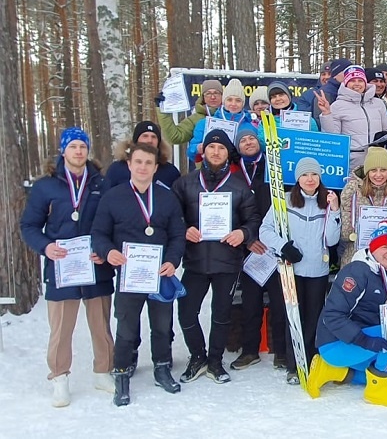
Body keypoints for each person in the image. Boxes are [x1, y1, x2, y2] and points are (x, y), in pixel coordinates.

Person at [20, 127, 115, 407]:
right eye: (73, 146)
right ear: (63, 151)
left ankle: (102, 371)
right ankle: (59, 377)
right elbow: (29, 225)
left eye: (82, 147)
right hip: (62, 266)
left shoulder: (100, 183)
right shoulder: (46, 186)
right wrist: (46, 247)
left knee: (101, 324)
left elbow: (112, 221)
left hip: (95, 265)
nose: (78, 151)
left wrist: (105, 249)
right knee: (61, 328)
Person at [91, 143, 186, 406]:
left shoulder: (166, 197)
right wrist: (108, 251)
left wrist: (172, 260)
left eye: (148, 163)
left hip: (159, 273)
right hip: (129, 275)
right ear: (129, 164)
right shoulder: (113, 196)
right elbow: (99, 233)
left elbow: (178, 235)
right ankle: (121, 373)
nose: (143, 167)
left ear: (156, 167)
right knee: (126, 327)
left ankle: (162, 367)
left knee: (162, 325)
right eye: (138, 162)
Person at [172, 129, 261, 384]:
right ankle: (197, 356)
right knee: (187, 312)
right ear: (204, 151)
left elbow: (253, 219)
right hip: (196, 260)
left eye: (221, 148)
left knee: (221, 314)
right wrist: (183, 227)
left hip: (227, 260)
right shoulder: (185, 183)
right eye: (212, 147)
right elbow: (171, 216)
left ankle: (215, 360)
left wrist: (243, 234)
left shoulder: (238, 186)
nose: (216, 152)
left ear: (227, 153)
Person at [306, 224, 387, 407]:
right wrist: (365, 340)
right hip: (334, 343)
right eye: (384, 247)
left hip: (357, 341)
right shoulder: (357, 272)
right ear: (373, 248)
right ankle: (376, 392)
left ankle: (331, 371)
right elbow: (332, 316)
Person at [259, 157, 342, 384]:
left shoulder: (326, 202)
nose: (310, 179)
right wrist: (283, 246)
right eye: (305, 175)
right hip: (291, 269)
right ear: (297, 178)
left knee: (313, 317)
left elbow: (332, 240)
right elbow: (264, 230)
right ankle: (293, 365)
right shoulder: (284, 201)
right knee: (293, 317)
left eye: (314, 174)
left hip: (317, 269)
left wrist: (335, 211)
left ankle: (310, 360)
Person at [227, 123, 288, 371]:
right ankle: (249, 350)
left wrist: (274, 238)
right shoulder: (233, 174)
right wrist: (248, 238)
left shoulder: (273, 167)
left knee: (279, 301)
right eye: (243, 141)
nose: (248, 143)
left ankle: (281, 352)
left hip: (273, 244)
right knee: (250, 302)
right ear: (238, 147)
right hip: (246, 247)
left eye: (252, 138)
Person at [318, 65, 387, 171]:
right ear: (346, 83)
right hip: (353, 162)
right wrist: (326, 113)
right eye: (352, 80)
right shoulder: (337, 106)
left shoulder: (378, 103)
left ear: (365, 83)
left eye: (360, 80)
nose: (357, 84)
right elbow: (333, 138)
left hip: (376, 161)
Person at [339, 147, 387, 266]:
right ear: (367, 172)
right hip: (356, 255)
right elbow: (345, 233)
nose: (378, 175)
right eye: (373, 170)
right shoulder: (352, 190)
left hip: (385, 258)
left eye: (383, 170)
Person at [188, 78, 250, 165]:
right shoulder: (205, 123)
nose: (233, 104)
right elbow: (191, 153)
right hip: (213, 171)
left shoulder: (250, 125)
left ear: (243, 103)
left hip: (241, 172)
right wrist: (198, 148)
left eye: (238, 100)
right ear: (224, 101)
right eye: (229, 100)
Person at [106, 121, 181, 189]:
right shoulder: (117, 169)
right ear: (136, 140)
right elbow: (106, 198)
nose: (149, 140)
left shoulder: (170, 171)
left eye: (153, 137)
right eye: (145, 136)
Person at [156, 79, 222, 146]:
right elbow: (176, 137)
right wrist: (163, 110)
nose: (213, 97)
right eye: (208, 93)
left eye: (216, 93)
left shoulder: (230, 115)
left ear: (222, 96)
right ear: (203, 97)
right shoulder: (195, 119)